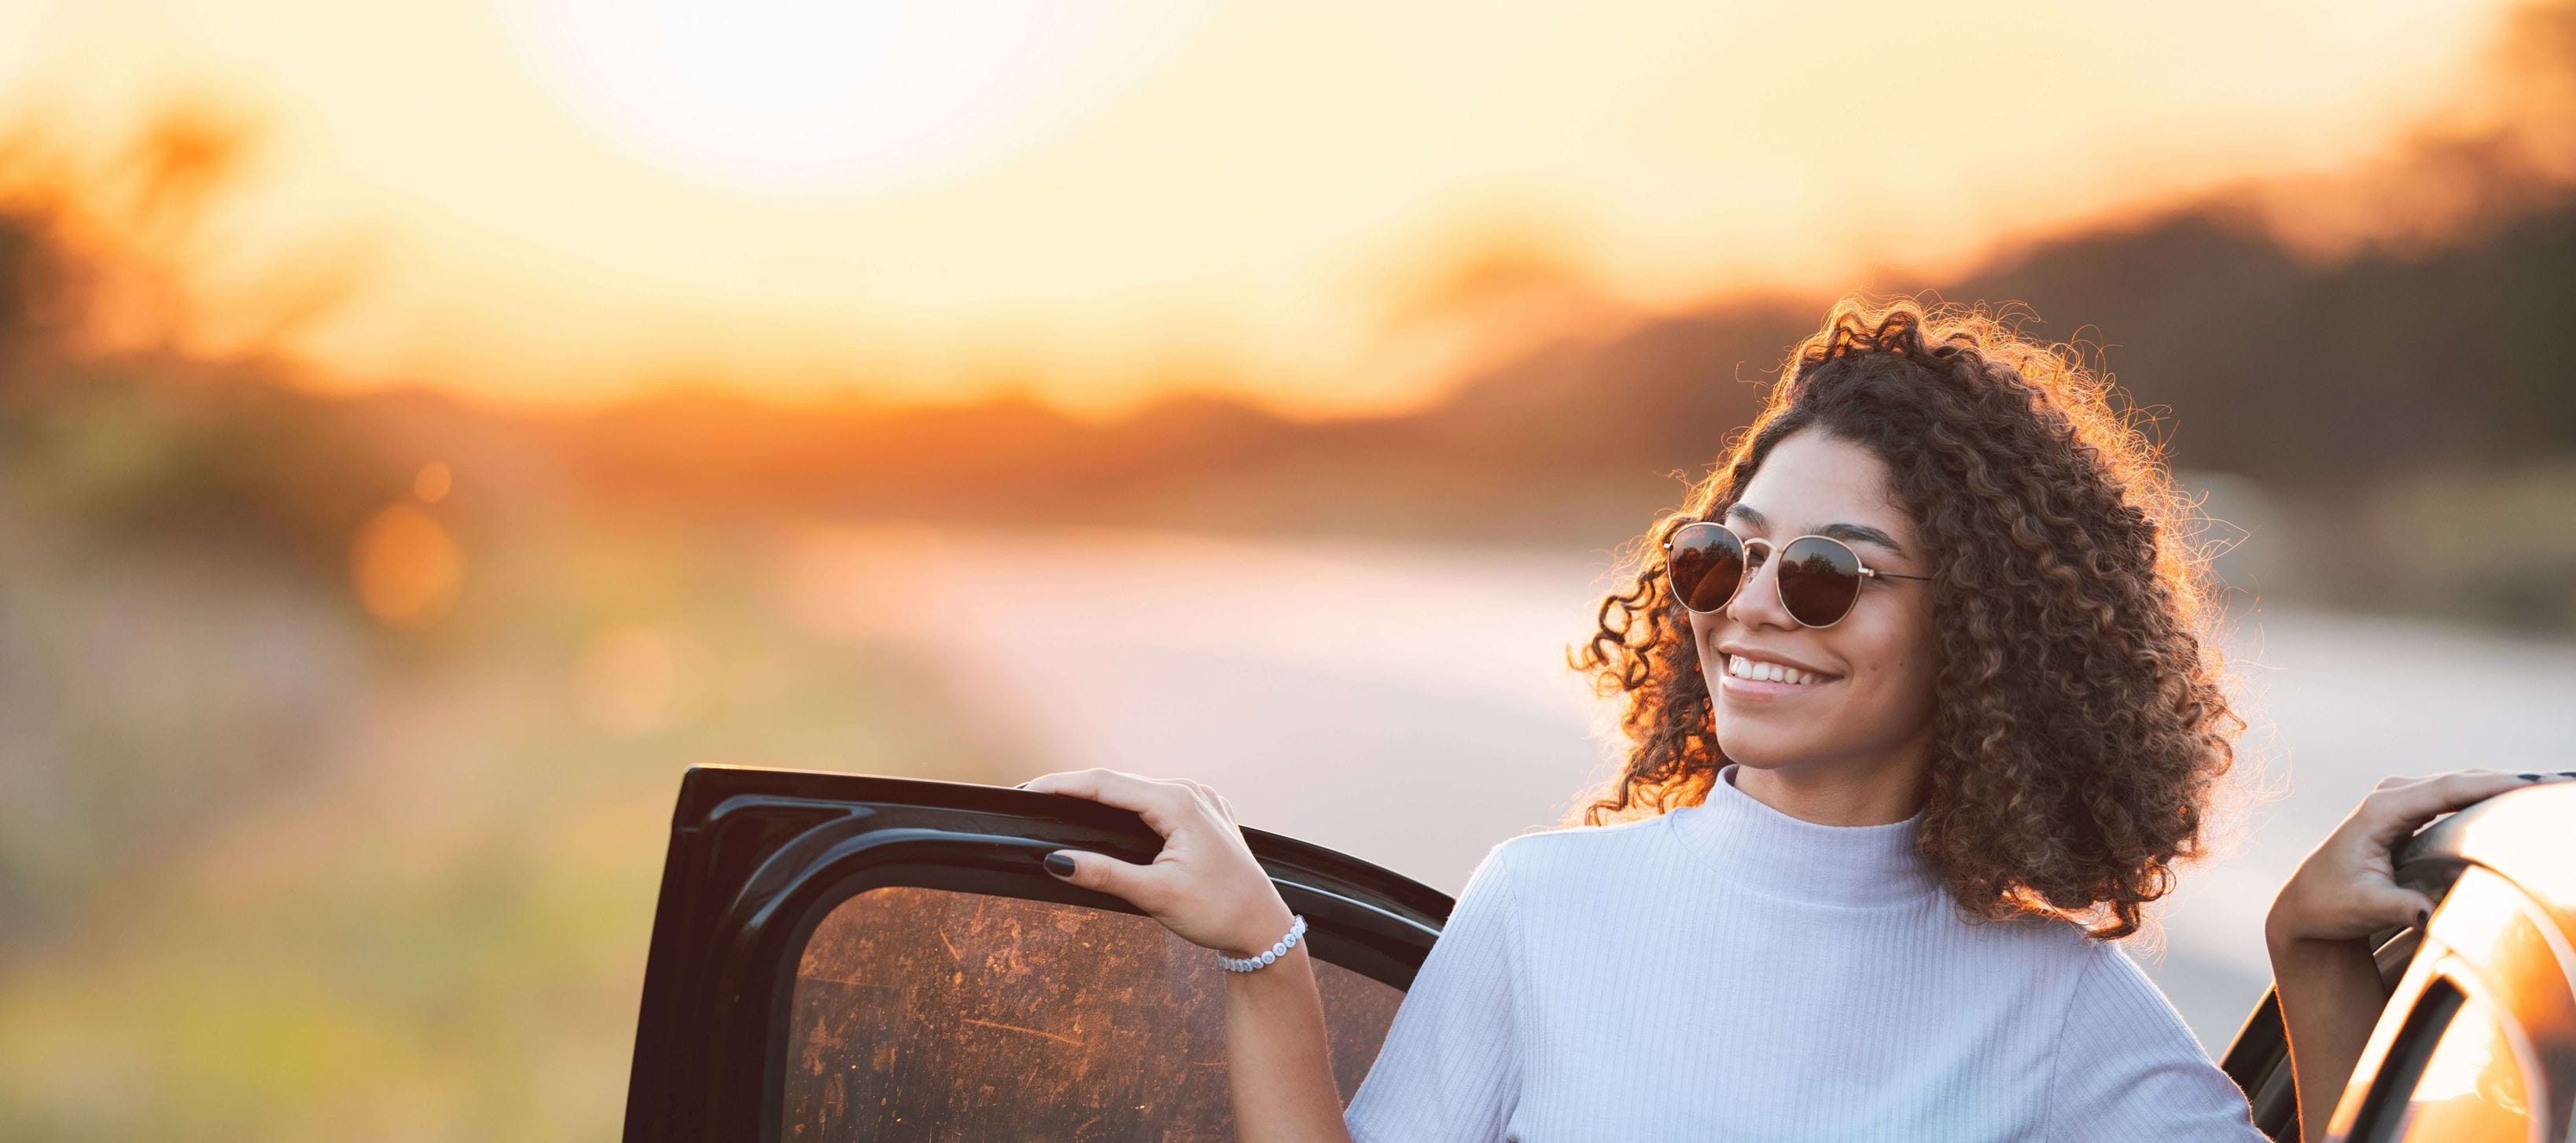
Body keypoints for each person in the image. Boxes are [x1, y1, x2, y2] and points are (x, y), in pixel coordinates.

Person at [1019, 297, 2563, 1141]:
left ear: (1984, 631)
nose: (1751, 603)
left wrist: (2309, 958)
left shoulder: (2063, 1014)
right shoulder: (1545, 904)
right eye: (1719, 552)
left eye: (1830, 573)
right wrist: (1263, 957)